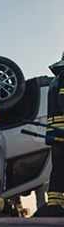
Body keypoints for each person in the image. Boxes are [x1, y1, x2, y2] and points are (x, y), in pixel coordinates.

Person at [45, 51, 64, 217]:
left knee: (59, 167)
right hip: (62, 130)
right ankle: (56, 206)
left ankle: (55, 204)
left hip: (55, 132)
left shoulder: (55, 79)